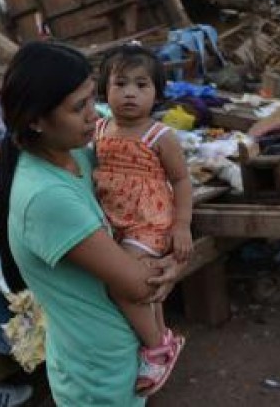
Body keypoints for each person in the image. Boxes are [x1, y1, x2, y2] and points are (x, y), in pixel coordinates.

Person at [0, 41, 184, 406]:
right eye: (79, 107)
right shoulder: (47, 197)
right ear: (35, 120)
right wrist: (173, 264)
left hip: (115, 356)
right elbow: (138, 285)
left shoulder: (76, 152)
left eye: (93, 99)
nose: (94, 115)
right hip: (99, 373)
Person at [94, 44, 192, 395]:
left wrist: (182, 226)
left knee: (121, 283)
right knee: (147, 283)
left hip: (148, 222)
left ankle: (157, 349)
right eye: (120, 84)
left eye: (141, 85)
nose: (130, 93)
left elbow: (181, 181)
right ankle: (162, 335)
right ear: (105, 89)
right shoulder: (99, 129)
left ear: (157, 93)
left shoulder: (160, 135)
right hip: (113, 221)